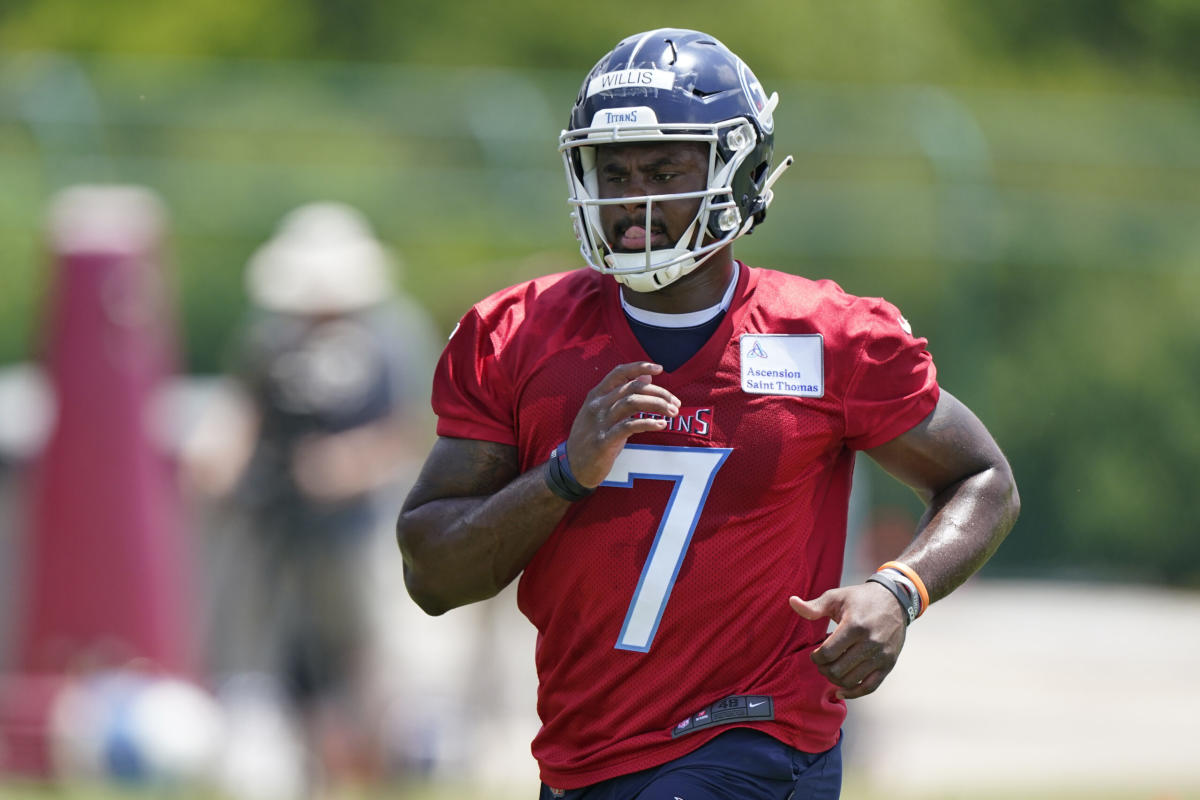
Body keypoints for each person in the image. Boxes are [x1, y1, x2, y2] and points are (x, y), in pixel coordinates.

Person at [396, 28, 1019, 800]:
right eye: (613, 172)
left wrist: (900, 589)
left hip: (755, 737)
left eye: (664, 169)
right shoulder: (516, 335)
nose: (634, 199)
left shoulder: (827, 337)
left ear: (739, 171)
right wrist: (562, 475)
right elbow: (431, 574)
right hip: (583, 757)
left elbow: (983, 478)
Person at [185, 202, 439, 793]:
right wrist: (220, 456)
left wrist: (350, 464)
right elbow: (243, 406)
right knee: (292, 659)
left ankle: (370, 769)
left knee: (363, 656)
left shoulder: (391, 334)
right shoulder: (271, 333)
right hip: (277, 523)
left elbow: (411, 430)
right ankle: (311, 772)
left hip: (361, 528)